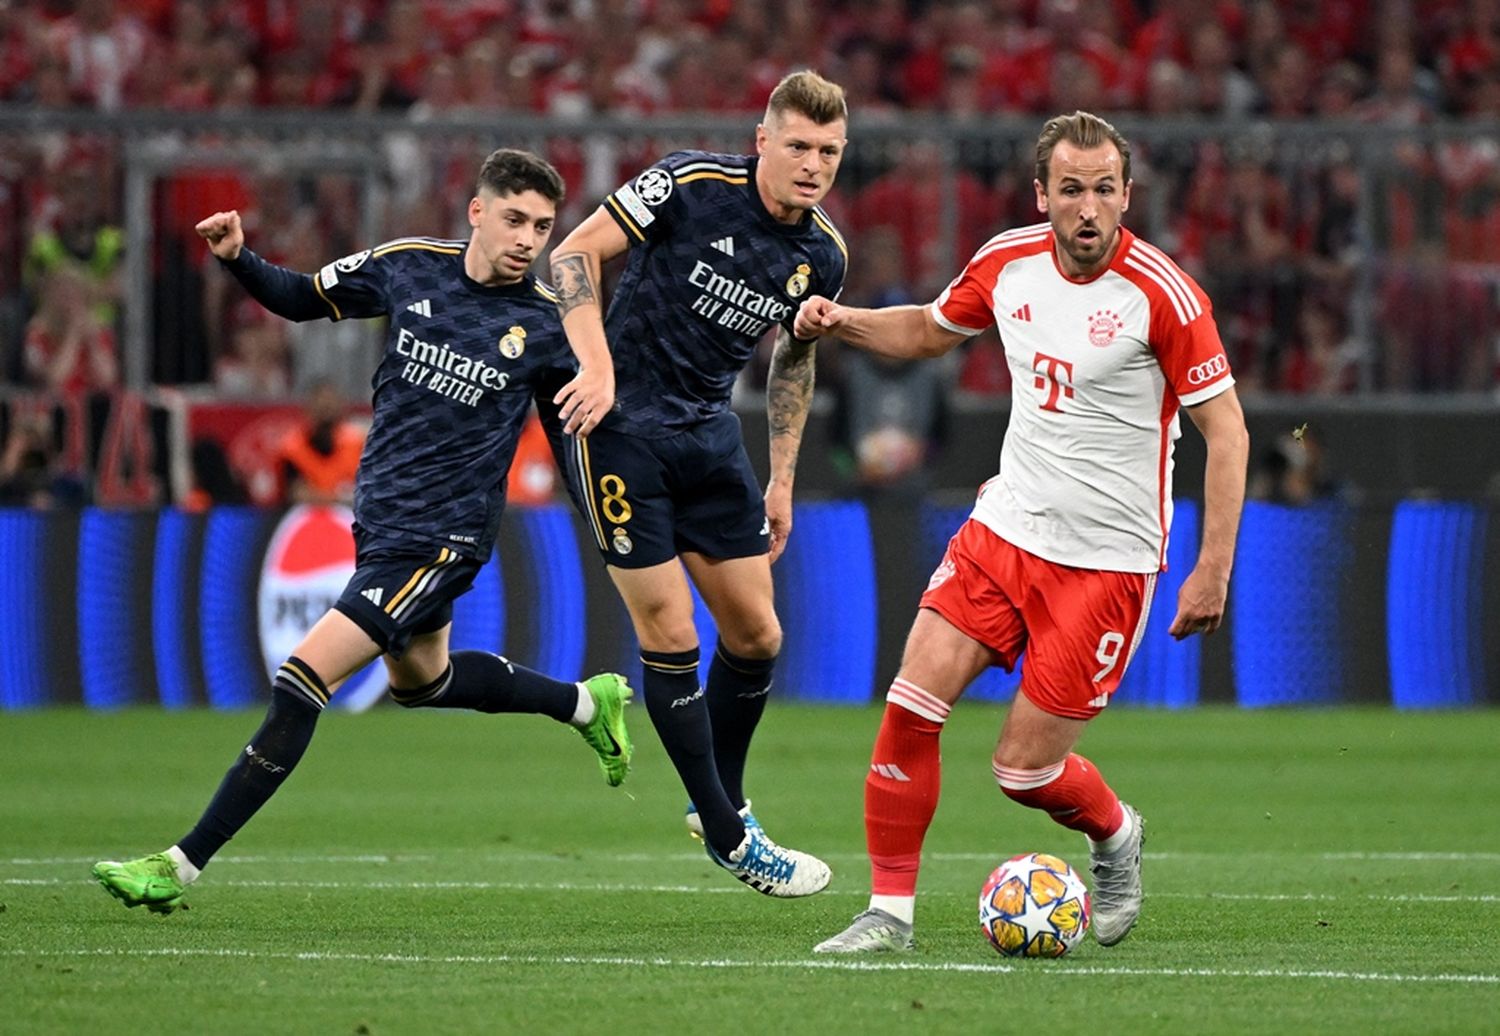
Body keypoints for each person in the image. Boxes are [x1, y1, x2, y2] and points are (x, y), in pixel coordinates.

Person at [93, 149, 635, 915]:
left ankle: (179, 864)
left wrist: (617, 532)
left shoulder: (546, 327)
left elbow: (574, 440)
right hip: (382, 525)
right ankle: (585, 703)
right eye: (515, 219)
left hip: (444, 541)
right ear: (476, 212)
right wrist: (238, 258)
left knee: (301, 680)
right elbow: (300, 296)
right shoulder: (408, 265)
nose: (528, 239)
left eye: (543, 227)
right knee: (425, 682)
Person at [799, 111, 1249, 952]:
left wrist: (1213, 567)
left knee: (1023, 771)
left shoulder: (1166, 296)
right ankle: (887, 916)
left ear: (1126, 195)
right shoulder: (1006, 262)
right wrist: (843, 321)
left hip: (1106, 564)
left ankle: (1115, 834)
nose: (1088, 208)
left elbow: (1230, 433)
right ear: (1042, 194)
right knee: (910, 703)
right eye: (1070, 189)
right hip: (1004, 529)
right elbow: (934, 329)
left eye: (1104, 190)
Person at [546, 70, 850, 897]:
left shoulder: (822, 254)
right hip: (613, 430)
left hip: (710, 436)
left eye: (828, 151)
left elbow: (794, 355)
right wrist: (596, 364)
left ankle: (722, 799)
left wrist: (782, 475)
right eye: (798, 145)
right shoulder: (687, 184)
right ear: (763, 140)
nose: (812, 164)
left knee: (758, 636)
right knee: (673, 632)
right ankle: (727, 830)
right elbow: (572, 254)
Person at [277, 379, 365, 505]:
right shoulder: (292, 448)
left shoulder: (357, 443)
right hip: (307, 516)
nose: (325, 410)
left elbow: (365, 490)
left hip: (348, 516)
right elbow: (297, 494)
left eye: (330, 405)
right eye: (321, 406)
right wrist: (338, 498)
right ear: (308, 408)